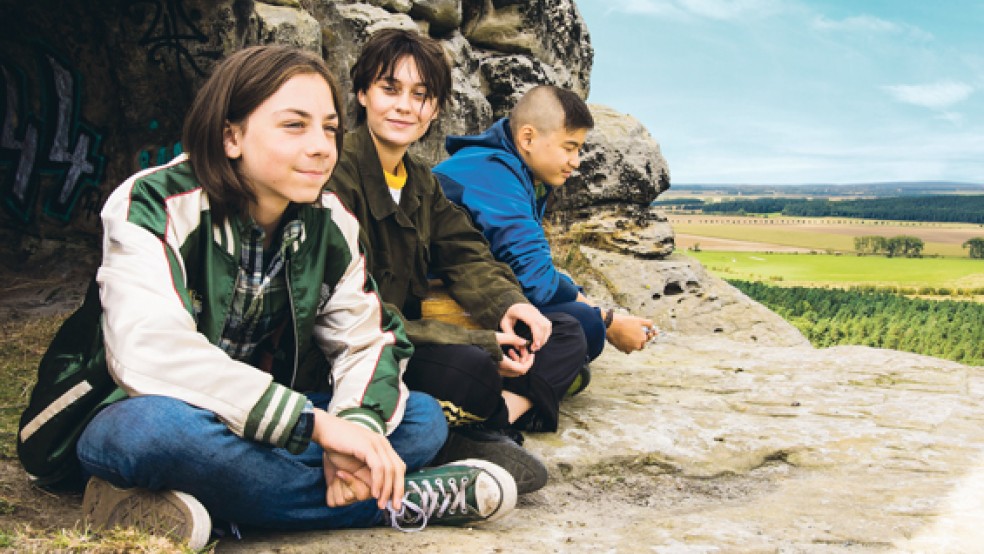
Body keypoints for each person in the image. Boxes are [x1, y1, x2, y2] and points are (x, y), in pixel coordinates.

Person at [23, 45, 517, 549]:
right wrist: (317, 429)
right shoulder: (153, 202)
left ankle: (202, 500)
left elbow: (367, 340)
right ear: (231, 135)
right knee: (153, 432)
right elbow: (148, 351)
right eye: (294, 125)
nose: (323, 146)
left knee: (420, 419)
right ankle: (399, 502)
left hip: (251, 420)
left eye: (329, 127)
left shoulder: (329, 221)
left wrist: (353, 425)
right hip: (119, 407)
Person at [327, 29, 588, 495]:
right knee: (472, 368)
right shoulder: (335, 176)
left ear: (434, 108)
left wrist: (510, 306)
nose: (405, 106)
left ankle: (482, 430)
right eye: (390, 89)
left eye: (421, 95)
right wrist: (487, 342)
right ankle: (463, 436)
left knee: (563, 330)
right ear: (363, 92)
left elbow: (468, 255)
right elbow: (362, 315)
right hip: (362, 346)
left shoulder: (420, 182)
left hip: (413, 335)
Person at [433, 85, 658, 365]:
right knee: (584, 326)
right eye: (569, 148)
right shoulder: (492, 173)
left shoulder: (513, 170)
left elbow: (532, 272)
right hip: (434, 306)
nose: (575, 162)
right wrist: (608, 321)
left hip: (472, 295)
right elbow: (536, 281)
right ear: (527, 138)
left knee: (578, 325)